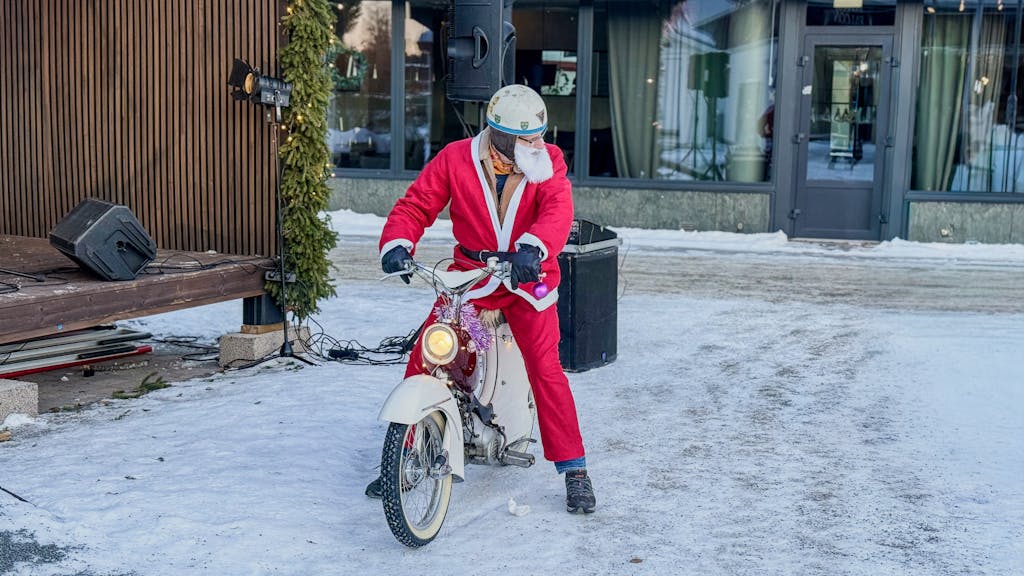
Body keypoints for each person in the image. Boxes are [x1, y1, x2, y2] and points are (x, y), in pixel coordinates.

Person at [365, 84, 596, 514]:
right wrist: (398, 243)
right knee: (428, 356)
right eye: (528, 138)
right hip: (472, 282)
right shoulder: (455, 158)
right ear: (500, 135)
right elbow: (416, 205)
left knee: (546, 369)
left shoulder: (547, 162)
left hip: (531, 284)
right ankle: (407, 457)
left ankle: (575, 469)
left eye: (541, 135)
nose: (538, 144)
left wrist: (534, 248)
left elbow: (557, 210)